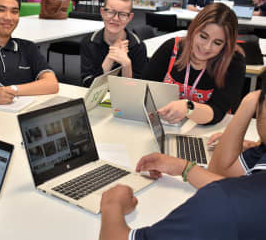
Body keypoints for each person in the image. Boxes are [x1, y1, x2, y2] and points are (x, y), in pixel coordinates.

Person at [99, 72, 266, 240]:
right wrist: (183, 167)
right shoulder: (259, 157)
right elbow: (231, 181)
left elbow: (228, 187)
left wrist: (111, 203)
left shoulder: (221, 203)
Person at [143, 3, 245, 125]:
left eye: (217, 43)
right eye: (203, 36)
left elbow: (217, 111)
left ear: (226, 45)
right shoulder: (172, 48)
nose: (207, 47)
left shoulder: (233, 62)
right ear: (193, 30)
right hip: (166, 125)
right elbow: (144, 87)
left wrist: (188, 107)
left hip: (209, 132)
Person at [80, 0, 148, 87]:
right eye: (111, 12)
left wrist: (126, 65)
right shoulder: (89, 42)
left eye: (123, 14)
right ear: (102, 12)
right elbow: (87, 86)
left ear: (130, 17)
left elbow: (136, 92)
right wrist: (109, 59)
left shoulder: (138, 46)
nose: (116, 18)